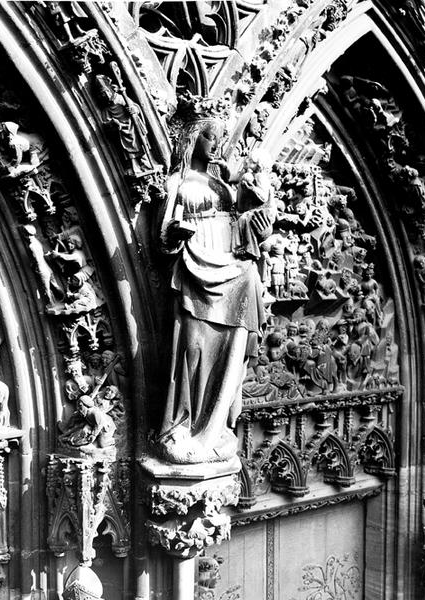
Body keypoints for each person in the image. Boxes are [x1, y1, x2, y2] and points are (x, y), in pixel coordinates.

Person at [157, 97, 268, 463]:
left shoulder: (223, 184)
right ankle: (181, 427)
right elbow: (161, 237)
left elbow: (239, 224)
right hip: (195, 266)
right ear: (193, 138)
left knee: (232, 345)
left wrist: (256, 219)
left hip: (231, 264)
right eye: (209, 136)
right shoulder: (178, 181)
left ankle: (217, 425)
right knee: (194, 349)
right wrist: (175, 233)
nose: (216, 144)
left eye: (219, 137)